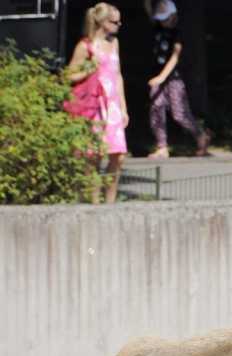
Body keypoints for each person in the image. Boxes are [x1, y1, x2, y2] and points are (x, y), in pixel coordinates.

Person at [65, 2, 128, 204]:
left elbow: (118, 76)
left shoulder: (114, 43)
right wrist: (88, 70)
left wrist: (123, 107)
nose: (119, 24)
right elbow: (68, 75)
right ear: (102, 22)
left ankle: (110, 204)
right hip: (94, 106)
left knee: (118, 155)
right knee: (94, 156)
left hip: (113, 106)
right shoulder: (86, 46)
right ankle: (94, 205)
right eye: (114, 21)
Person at [144, 0, 210, 159]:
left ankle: (200, 135)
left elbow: (174, 58)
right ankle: (162, 147)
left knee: (179, 114)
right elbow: (149, 11)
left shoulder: (179, 34)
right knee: (156, 109)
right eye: (160, 18)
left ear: (174, 16)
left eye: (165, 18)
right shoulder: (158, 25)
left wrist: (162, 77)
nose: (162, 21)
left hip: (173, 78)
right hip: (157, 78)